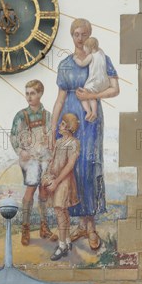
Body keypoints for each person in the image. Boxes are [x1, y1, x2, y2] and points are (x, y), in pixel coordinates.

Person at [51, 18, 120, 251]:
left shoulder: (101, 57)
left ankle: (90, 227)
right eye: (75, 34)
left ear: (90, 34)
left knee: (88, 168)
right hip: (68, 122)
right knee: (69, 172)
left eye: (83, 34)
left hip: (90, 122)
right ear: (71, 36)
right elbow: (60, 99)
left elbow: (114, 89)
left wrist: (91, 97)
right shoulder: (65, 65)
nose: (79, 39)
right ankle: (75, 226)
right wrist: (52, 130)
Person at [10, 80, 54, 246]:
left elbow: (52, 135)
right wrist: (21, 151)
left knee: (43, 193)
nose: (29, 96)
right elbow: (14, 135)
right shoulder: (21, 115)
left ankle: (44, 227)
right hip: (30, 160)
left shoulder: (48, 115)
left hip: (45, 158)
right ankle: (26, 228)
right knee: (30, 192)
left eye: (33, 93)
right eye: (27, 93)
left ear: (40, 94)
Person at [42, 113, 80, 261]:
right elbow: (53, 161)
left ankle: (62, 245)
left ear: (69, 127)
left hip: (64, 180)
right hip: (56, 178)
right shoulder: (58, 142)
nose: (59, 126)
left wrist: (57, 181)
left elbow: (70, 165)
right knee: (62, 210)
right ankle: (68, 240)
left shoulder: (74, 143)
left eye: (63, 124)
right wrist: (48, 176)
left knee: (60, 210)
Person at [73, 37, 110, 122]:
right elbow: (97, 48)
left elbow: (82, 64)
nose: (85, 51)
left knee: (82, 95)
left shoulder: (91, 56)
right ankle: (94, 112)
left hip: (94, 82)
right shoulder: (101, 52)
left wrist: (76, 59)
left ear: (91, 48)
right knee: (91, 95)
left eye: (86, 49)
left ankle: (89, 111)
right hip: (104, 82)